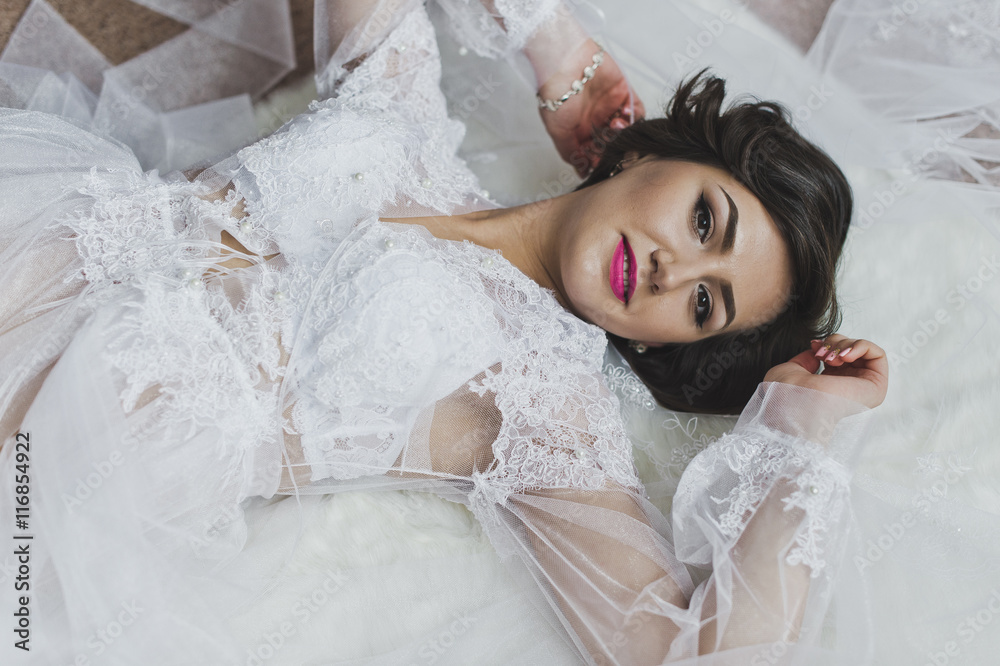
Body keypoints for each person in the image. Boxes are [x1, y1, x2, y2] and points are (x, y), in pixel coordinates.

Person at [0, 0, 991, 664]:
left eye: (704, 305)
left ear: (670, 344)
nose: (673, 270)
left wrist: (801, 433)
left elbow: (685, 655)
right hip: (36, 242)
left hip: (71, 448)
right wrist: (555, 47)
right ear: (650, 154)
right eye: (703, 221)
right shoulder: (399, 104)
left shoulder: (541, 403)